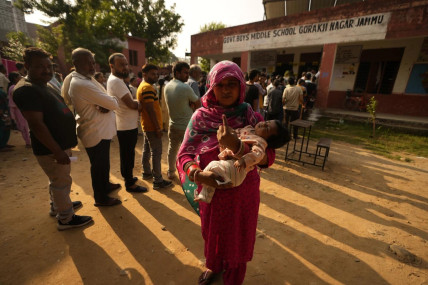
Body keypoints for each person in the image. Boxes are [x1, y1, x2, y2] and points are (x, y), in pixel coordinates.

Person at [177, 61, 275, 285]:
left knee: (239, 238)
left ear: (241, 86)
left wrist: (239, 147)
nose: (227, 89)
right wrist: (198, 175)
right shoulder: (200, 118)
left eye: (232, 83)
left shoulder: (251, 117)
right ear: (211, 87)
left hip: (243, 195)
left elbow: (269, 158)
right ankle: (214, 266)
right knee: (212, 234)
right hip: (212, 192)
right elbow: (184, 155)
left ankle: (233, 278)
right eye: (221, 85)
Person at [13, 47, 92, 230]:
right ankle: (66, 218)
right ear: (27, 66)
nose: (47, 70)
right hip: (52, 149)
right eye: (40, 66)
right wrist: (57, 151)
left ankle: (57, 206)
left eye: (49, 66)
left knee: (57, 178)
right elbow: (37, 124)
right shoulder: (27, 90)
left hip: (59, 145)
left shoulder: (43, 84)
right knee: (61, 181)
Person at [68, 47, 122, 206]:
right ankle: (101, 197)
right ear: (76, 63)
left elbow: (107, 101)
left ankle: (105, 185)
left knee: (103, 163)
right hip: (94, 131)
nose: (92, 67)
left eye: (93, 63)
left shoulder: (86, 78)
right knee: (98, 166)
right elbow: (113, 103)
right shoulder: (81, 83)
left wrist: (107, 103)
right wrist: (110, 103)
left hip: (100, 130)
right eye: (87, 63)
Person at [195, 119, 288, 203]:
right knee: (213, 172)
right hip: (229, 165)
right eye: (267, 122)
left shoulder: (260, 142)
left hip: (237, 171)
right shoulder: (249, 129)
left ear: (267, 139)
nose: (263, 124)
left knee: (213, 166)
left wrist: (244, 160)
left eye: (267, 129)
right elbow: (236, 133)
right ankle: (205, 195)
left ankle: (206, 192)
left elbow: (258, 155)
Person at [107, 53, 147, 193]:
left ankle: (128, 177)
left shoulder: (116, 80)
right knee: (128, 155)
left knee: (127, 154)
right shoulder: (116, 81)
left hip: (126, 124)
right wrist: (140, 104)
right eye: (121, 64)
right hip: (125, 125)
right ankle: (129, 184)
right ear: (112, 66)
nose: (125, 67)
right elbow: (130, 104)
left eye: (126, 64)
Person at [137, 64, 172, 189]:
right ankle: (158, 180)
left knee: (147, 150)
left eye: (157, 74)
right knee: (156, 153)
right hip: (152, 126)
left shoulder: (145, 86)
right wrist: (157, 128)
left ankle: (147, 172)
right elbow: (150, 109)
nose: (156, 76)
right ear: (144, 74)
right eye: (153, 74)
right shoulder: (147, 88)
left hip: (147, 125)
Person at [164, 61, 201, 179]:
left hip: (173, 124)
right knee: (190, 152)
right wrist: (192, 105)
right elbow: (198, 103)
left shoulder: (167, 86)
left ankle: (170, 172)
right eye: (185, 73)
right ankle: (190, 174)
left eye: (188, 72)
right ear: (177, 73)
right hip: (186, 126)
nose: (187, 75)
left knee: (172, 149)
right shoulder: (185, 87)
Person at [8, 72, 31, 147]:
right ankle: (28, 142)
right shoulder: (14, 88)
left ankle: (29, 141)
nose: (21, 78)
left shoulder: (15, 87)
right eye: (19, 77)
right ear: (15, 78)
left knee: (26, 126)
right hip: (19, 110)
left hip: (21, 109)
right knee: (24, 126)